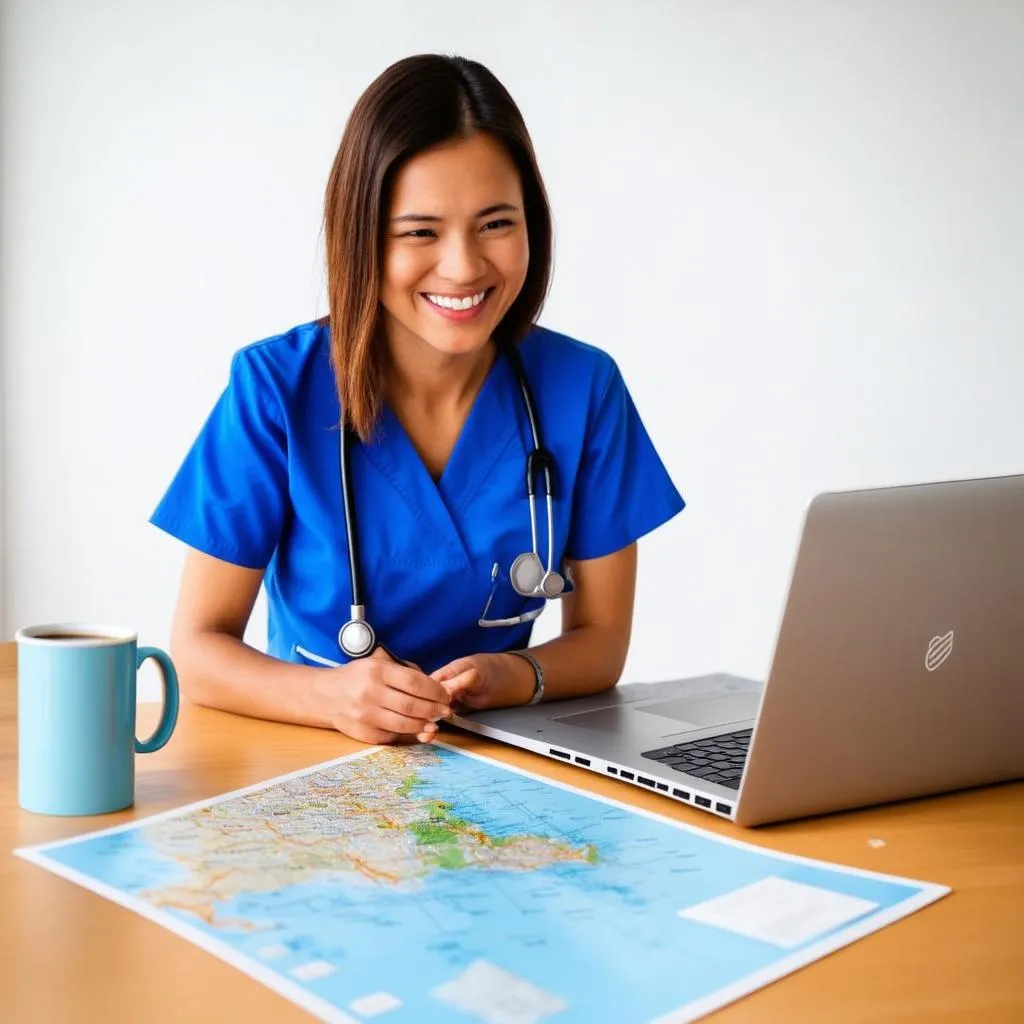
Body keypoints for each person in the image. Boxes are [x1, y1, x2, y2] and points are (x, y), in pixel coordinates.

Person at [151, 53, 685, 747]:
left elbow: (602, 640)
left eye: (496, 224)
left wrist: (513, 675)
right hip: (312, 765)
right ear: (361, 234)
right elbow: (197, 649)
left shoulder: (584, 389)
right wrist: (334, 700)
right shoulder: (276, 388)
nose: (464, 266)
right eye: (420, 232)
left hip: (501, 771)